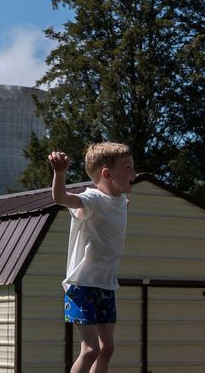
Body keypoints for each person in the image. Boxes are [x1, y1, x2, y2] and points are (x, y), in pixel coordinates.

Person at [49, 142, 136, 373]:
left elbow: (116, 204)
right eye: (127, 168)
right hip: (82, 286)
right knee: (90, 350)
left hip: (105, 286)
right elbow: (60, 198)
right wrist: (60, 173)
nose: (133, 174)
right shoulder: (92, 201)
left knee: (107, 348)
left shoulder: (119, 200)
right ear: (107, 174)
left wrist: (121, 201)